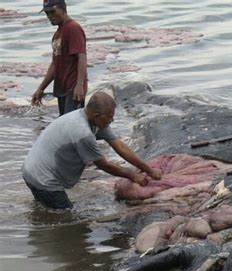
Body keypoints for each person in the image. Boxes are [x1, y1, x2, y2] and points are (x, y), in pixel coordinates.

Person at [22, 92, 162, 209]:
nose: (112, 120)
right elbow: (103, 164)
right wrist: (133, 176)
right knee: (67, 217)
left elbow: (120, 146)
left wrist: (148, 169)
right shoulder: (82, 133)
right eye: (109, 117)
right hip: (43, 178)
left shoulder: (93, 119)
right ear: (96, 115)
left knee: (44, 209)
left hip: (31, 170)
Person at [31, 0, 87, 116]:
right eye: (47, 13)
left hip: (73, 89)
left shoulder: (73, 28)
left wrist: (79, 85)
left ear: (62, 9)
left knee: (71, 125)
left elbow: (81, 57)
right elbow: (54, 64)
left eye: (52, 12)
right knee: (64, 124)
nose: (50, 16)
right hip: (62, 89)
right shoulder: (57, 35)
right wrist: (41, 88)